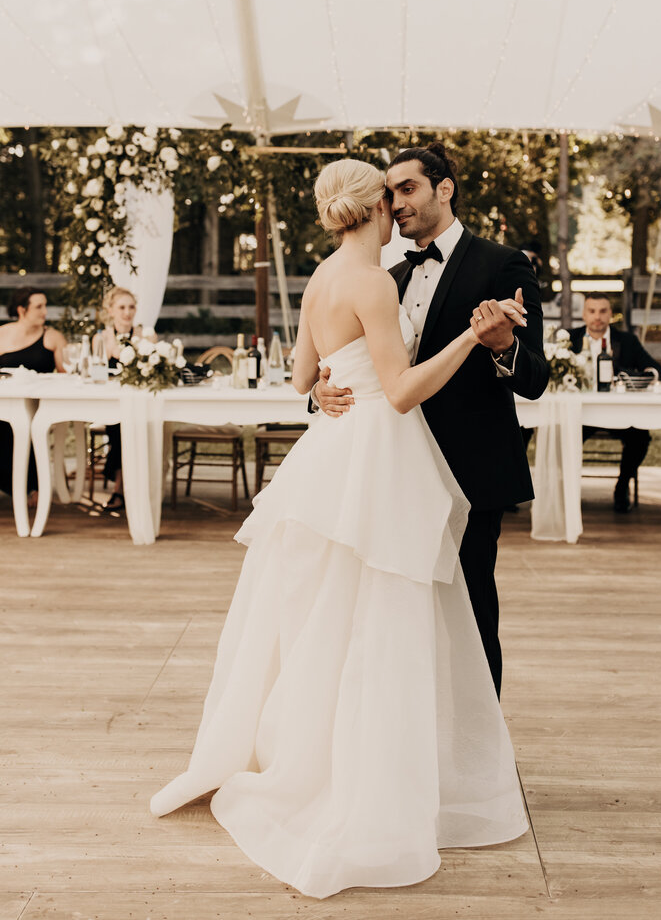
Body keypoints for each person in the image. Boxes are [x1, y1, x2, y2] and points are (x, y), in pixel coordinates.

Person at [150, 159, 529, 898]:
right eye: (391, 197)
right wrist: (469, 340)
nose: (399, 208)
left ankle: (318, 756)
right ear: (378, 207)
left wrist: (326, 385)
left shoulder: (322, 276)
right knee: (378, 616)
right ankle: (368, 776)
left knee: (325, 618)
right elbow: (399, 391)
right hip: (376, 457)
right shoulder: (374, 280)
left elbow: (300, 380)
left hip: (328, 457)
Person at [315, 143, 549, 696]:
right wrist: (322, 391)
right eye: (389, 192)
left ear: (444, 189)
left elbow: (536, 378)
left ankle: (478, 752)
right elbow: (357, 364)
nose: (395, 202)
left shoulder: (502, 263)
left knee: (469, 614)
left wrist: (502, 345)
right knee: (397, 616)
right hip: (391, 471)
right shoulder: (385, 275)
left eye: (408, 188)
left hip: (468, 472)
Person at [569, 292, 661, 513]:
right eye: (592, 311)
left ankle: (622, 486)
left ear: (610, 314)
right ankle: (568, 490)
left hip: (620, 413)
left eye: (603, 311)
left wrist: (640, 376)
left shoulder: (627, 341)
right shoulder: (569, 338)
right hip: (580, 414)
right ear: (584, 314)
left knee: (641, 437)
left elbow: (658, 371)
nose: (597, 317)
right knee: (564, 434)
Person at [0, 288, 66, 499]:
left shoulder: (53, 337)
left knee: (25, 425)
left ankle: (31, 487)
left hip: (40, 405)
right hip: (5, 401)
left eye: (45, 305)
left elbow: (69, 376)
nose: (44, 311)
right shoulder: (2, 334)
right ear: (22, 310)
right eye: (39, 306)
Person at [93, 286, 140, 513]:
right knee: (120, 428)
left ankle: (124, 490)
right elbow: (96, 373)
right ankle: (122, 489)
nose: (127, 312)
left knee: (130, 425)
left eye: (131, 307)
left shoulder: (144, 336)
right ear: (110, 311)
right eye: (121, 307)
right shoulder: (101, 338)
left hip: (138, 401)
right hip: (109, 402)